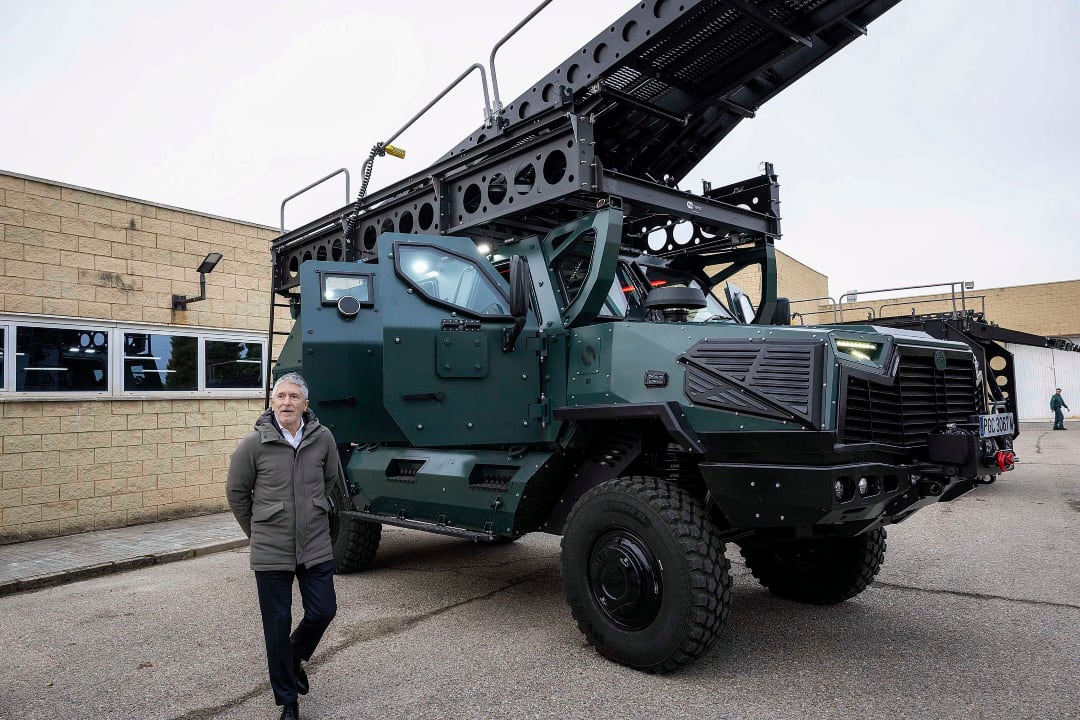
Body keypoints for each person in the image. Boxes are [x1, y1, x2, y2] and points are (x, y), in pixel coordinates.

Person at [227, 372, 341, 720]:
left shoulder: (323, 439)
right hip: (271, 549)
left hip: (315, 545)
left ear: (306, 404)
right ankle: (287, 701)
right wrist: (258, 531)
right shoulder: (253, 444)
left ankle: (292, 657)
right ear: (272, 401)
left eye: (294, 397)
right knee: (276, 625)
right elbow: (237, 493)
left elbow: (330, 480)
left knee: (324, 610)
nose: (287, 402)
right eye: (281, 396)